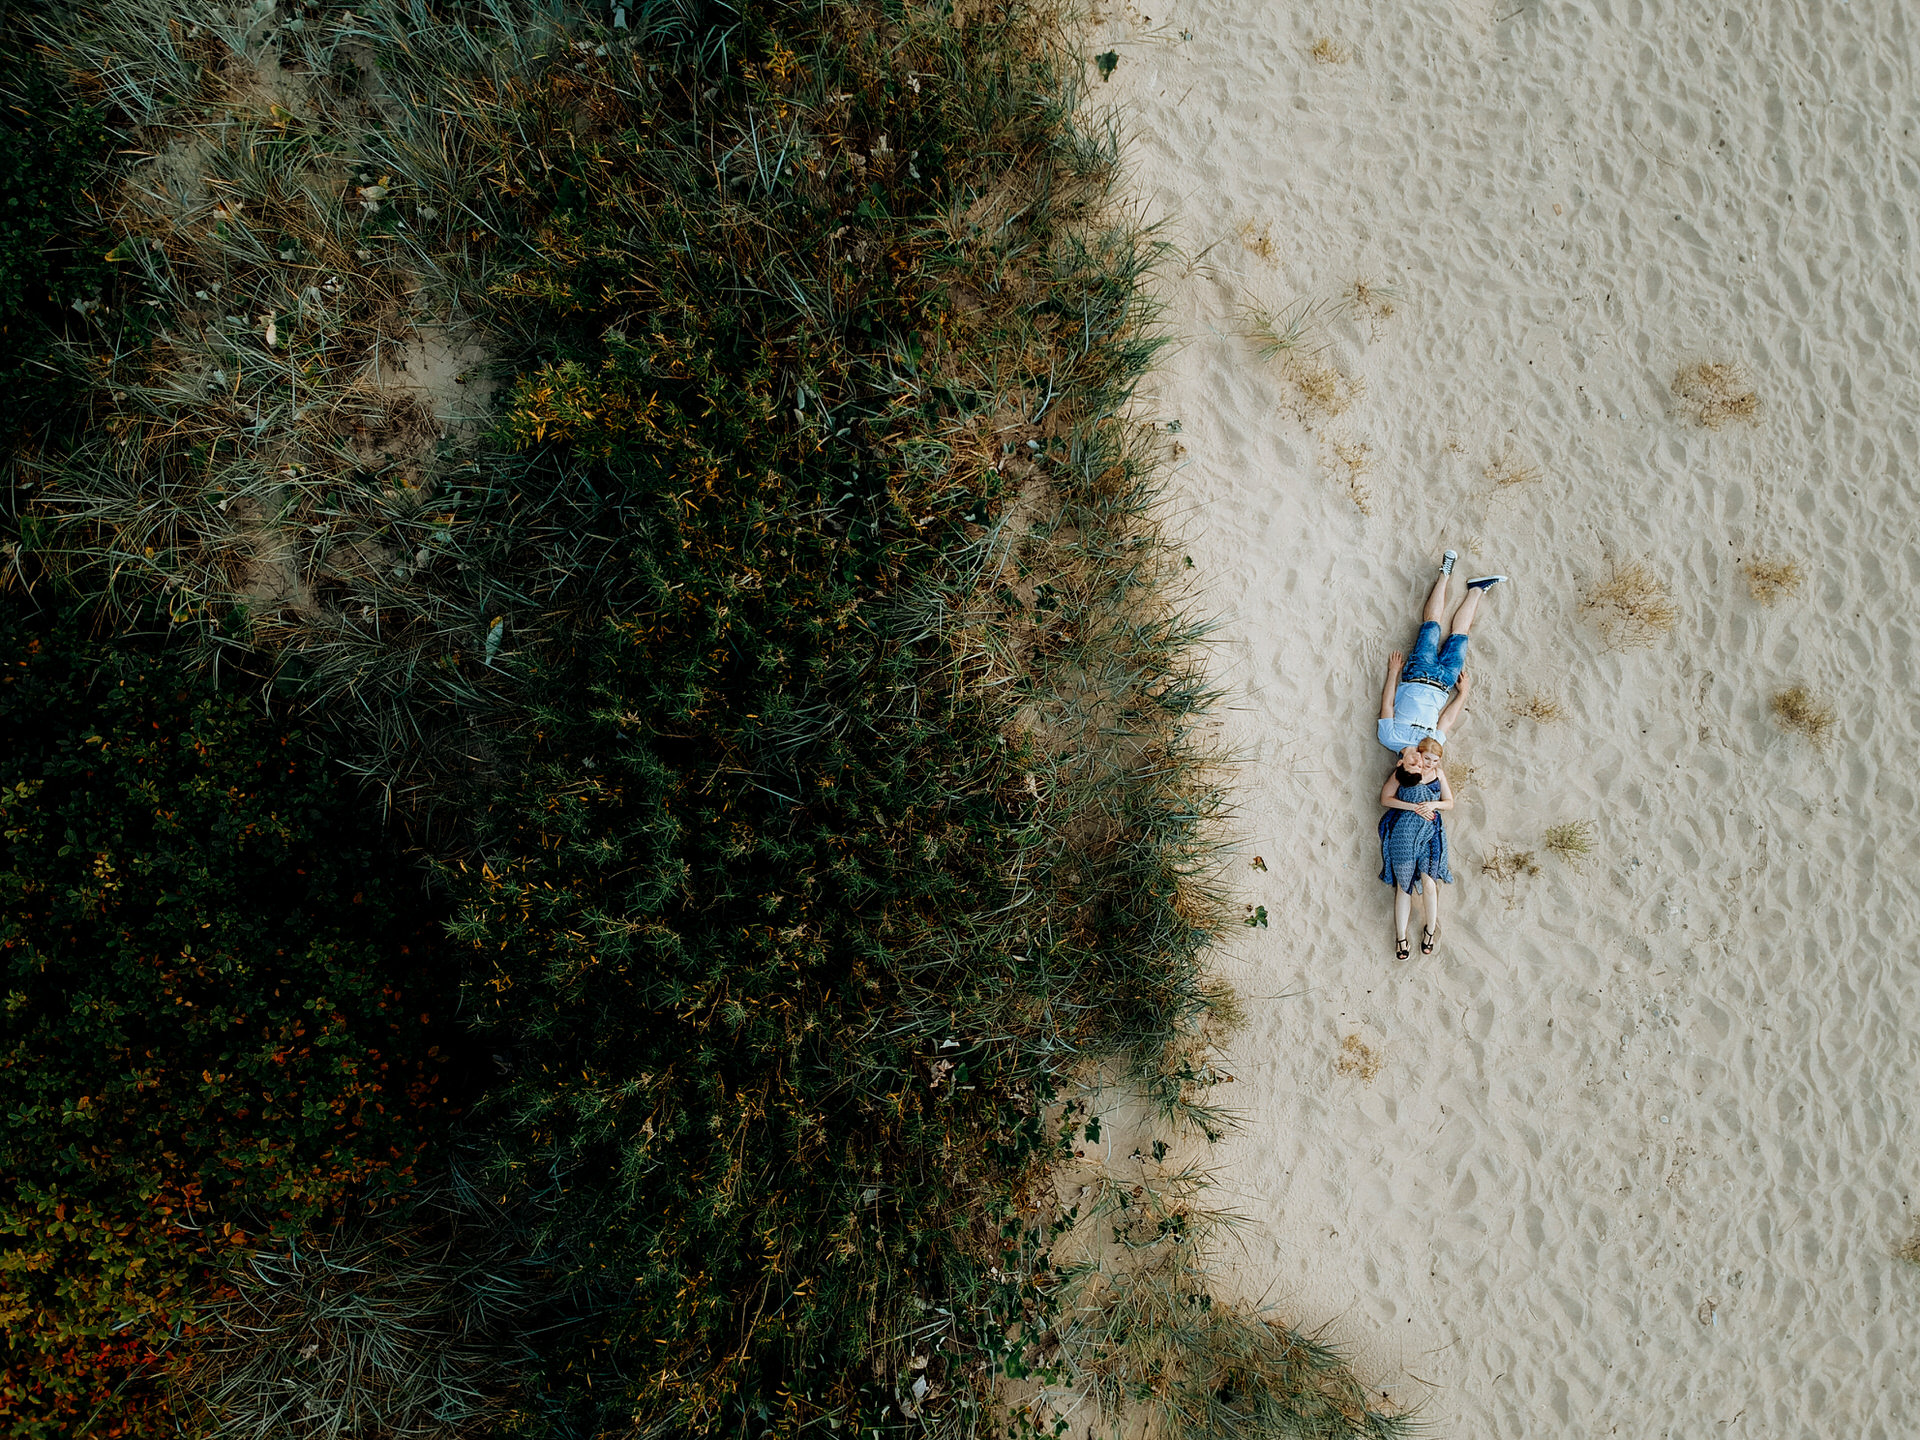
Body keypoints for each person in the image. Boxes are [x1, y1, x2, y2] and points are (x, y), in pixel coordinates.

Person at [1377, 551, 1506, 754]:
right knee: (1461, 635)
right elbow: (1446, 719)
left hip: (1418, 674)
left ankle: (1445, 574)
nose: (1420, 763)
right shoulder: (1431, 750)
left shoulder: (1390, 739)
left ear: (1401, 765)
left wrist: (1393, 672)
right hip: (1445, 682)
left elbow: (1387, 705)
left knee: (1432, 626)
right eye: (1421, 767)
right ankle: (1476, 590)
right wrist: (1463, 693)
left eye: (1414, 766)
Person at [1379, 738, 1453, 958]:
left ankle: (1430, 929)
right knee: (1404, 885)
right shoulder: (1405, 771)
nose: (1429, 764)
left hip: (1430, 832)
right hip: (1404, 832)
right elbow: (1385, 799)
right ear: (1419, 754)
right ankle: (1401, 936)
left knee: (1429, 883)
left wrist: (1433, 804)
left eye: (1435, 760)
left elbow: (1449, 802)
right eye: (1426, 758)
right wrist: (1412, 807)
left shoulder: (1438, 775)